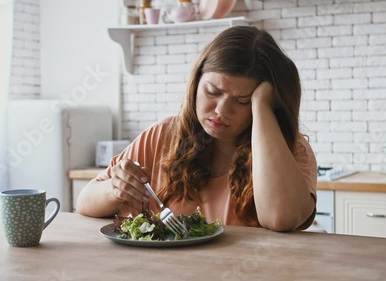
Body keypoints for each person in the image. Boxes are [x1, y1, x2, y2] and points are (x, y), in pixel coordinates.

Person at [76, 25, 317, 231]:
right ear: (196, 82)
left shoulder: (290, 148)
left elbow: (281, 218)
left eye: (242, 101)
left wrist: (262, 106)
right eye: (213, 92)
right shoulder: (163, 135)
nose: (221, 111)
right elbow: (84, 202)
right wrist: (115, 190)